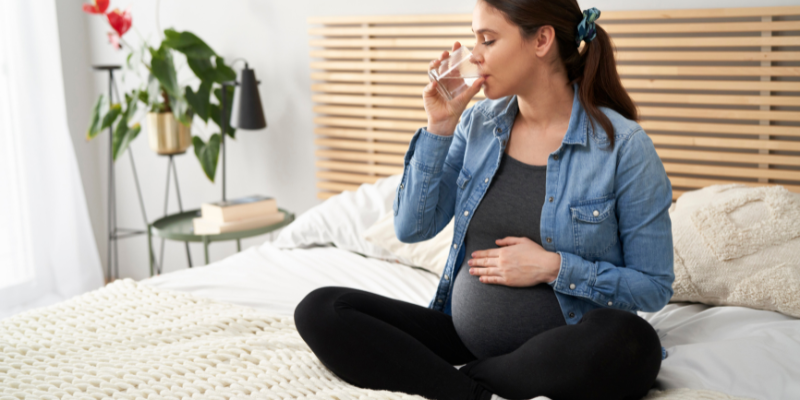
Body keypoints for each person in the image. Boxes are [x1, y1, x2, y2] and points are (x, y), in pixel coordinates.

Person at [294, 0, 674, 399]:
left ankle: (456, 383)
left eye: (488, 40)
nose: (473, 55)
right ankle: (475, 391)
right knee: (322, 309)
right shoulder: (478, 124)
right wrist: (440, 126)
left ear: (542, 39)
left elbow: (652, 287)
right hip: (461, 335)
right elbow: (411, 227)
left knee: (633, 342)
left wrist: (553, 267)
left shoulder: (624, 147)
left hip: (568, 344)